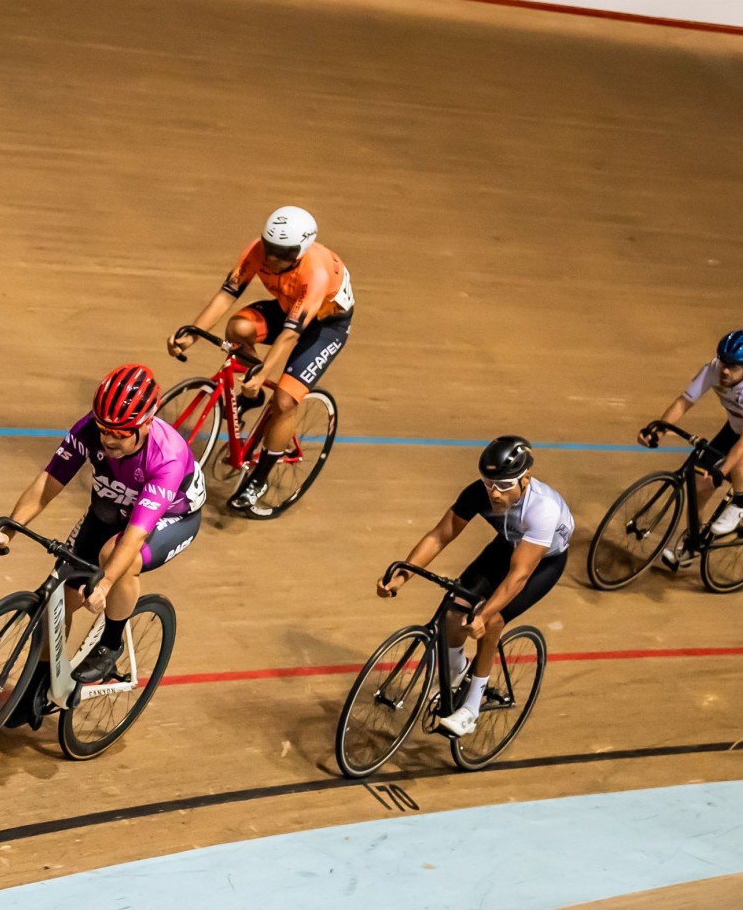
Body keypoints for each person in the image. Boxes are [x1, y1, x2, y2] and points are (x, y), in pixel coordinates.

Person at [0, 364, 205, 683]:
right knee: (55, 603)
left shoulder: (166, 457)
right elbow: (48, 483)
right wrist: (10, 529)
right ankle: (40, 685)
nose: (107, 439)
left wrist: (104, 584)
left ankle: (110, 644)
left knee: (113, 558)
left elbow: (135, 534)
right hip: (109, 510)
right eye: (103, 429)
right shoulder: (88, 429)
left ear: (144, 425)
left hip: (170, 519)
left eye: (118, 433)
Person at [377, 436, 571, 738]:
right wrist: (403, 574)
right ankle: (457, 668)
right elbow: (440, 536)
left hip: (542, 562)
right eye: (488, 482)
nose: (494, 492)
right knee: (455, 609)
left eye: (504, 485)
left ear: (525, 480)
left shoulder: (541, 510)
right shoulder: (479, 493)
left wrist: (484, 614)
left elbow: (519, 576)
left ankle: (471, 708)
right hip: (508, 545)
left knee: (491, 619)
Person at [167, 205, 354, 516]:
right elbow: (227, 295)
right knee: (238, 329)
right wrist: (194, 333)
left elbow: (291, 336)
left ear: (301, 250)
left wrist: (264, 371)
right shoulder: (255, 250)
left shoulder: (315, 273)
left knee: (284, 401)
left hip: (324, 326)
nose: (272, 258)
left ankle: (260, 479)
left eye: (283, 253)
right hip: (287, 308)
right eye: (270, 249)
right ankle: (253, 395)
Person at [639, 329, 743, 563]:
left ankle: (739, 501)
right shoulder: (714, 370)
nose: (725, 370)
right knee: (699, 490)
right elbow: (683, 402)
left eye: (733, 365)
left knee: (736, 460)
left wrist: (722, 471)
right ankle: (693, 544)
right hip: (736, 428)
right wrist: (657, 430)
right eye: (723, 361)